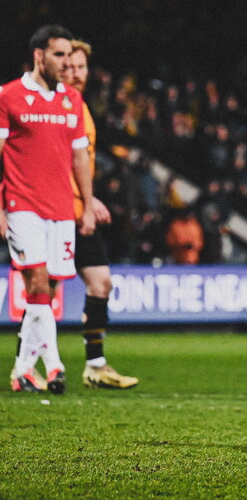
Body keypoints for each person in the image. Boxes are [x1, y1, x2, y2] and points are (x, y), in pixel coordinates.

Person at [2, 24, 96, 394]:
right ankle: (55, 365)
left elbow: (80, 158)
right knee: (38, 282)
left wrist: (88, 205)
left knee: (47, 290)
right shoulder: (8, 96)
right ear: (39, 56)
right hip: (22, 204)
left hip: (61, 209)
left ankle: (23, 369)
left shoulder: (71, 100)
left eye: (69, 55)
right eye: (59, 55)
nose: (66, 62)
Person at [63, 40, 139, 388]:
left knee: (101, 282)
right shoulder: (55, 107)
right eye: (70, 66)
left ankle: (95, 366)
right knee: (42, 289)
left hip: (79, 211)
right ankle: (27, 364)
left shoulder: (80, 106)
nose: (76, 73)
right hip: (56, 210)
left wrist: (89, 200)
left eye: (81, 67)